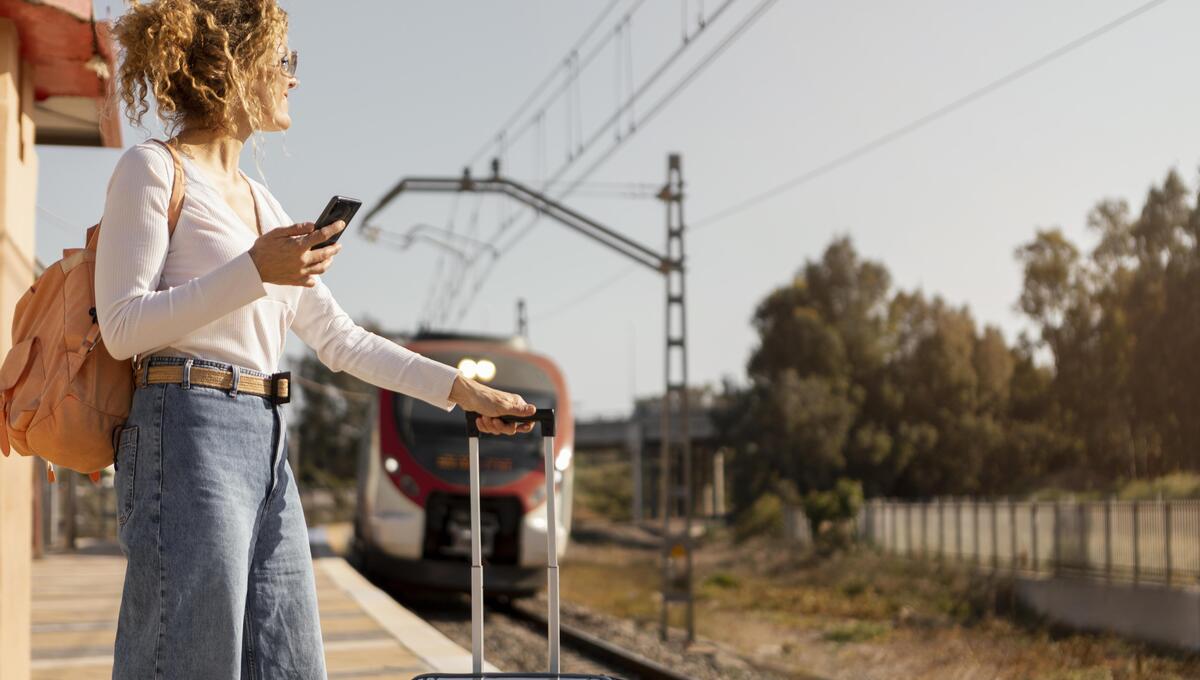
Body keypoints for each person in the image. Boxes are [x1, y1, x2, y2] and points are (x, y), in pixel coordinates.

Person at [97, 1, 534, 677]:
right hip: (183, 430)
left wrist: (461, 390)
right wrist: (254, 271)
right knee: (189, 662)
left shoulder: (261, 204)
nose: (293, 76)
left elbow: (339, 339)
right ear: (234, 66)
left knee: (293, 664)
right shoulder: (152, 171)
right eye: (283, 59)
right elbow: (123, 327)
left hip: (266, 436)